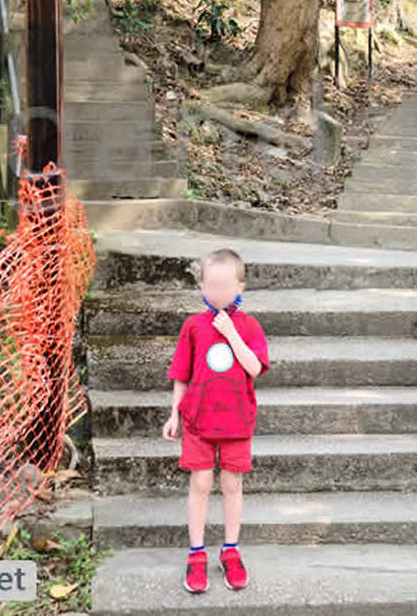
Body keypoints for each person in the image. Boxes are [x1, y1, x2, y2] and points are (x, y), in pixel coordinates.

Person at [161, 247, 269, 593]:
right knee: (201, 484)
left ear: (241, 287)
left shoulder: (249, 326)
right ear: (202, 287)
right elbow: (181, 374)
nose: (218, 294)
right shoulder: (193, 326)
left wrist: (232, 333)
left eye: (226, 287)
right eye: (212, 287)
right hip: (198, 420)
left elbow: (255, 367)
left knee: (232, 485)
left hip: (237, 421)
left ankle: (231, 549)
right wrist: (174, 412)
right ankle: (196, 554)